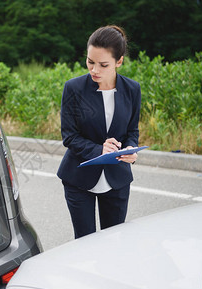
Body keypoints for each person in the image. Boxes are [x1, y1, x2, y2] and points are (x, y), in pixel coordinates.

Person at [57, 25, 141, 239]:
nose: (94, 70)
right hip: (78, 178)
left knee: (113, 243)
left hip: (117, 178)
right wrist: (99, 149)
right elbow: (69, 136)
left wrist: (131, 148)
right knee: (84, 244)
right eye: (90, 62)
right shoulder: (73, 88)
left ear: (119, 61)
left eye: (103, 65)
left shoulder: (132, 89)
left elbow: (132, 130)